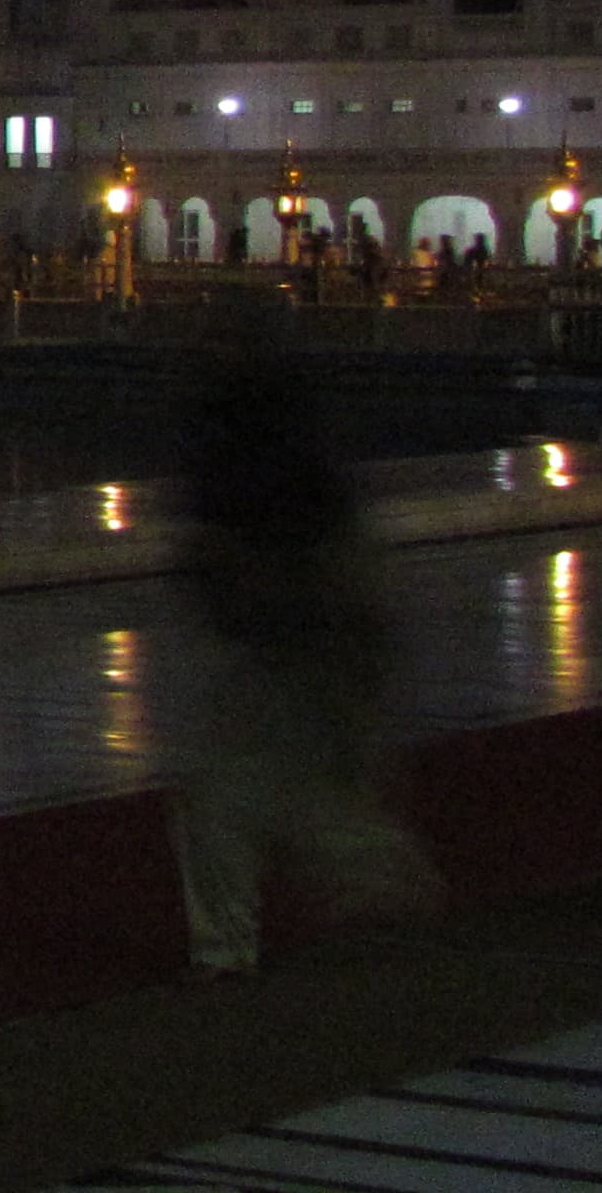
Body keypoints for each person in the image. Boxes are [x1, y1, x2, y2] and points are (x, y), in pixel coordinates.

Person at [169, 306, 438, 974]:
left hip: (291, 625)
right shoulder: (262, 424)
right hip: (283, 626)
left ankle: (239, 940)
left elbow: (285, 534)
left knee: (243, 786)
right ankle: (366, 875)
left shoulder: (254, 434)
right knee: (260, 783)